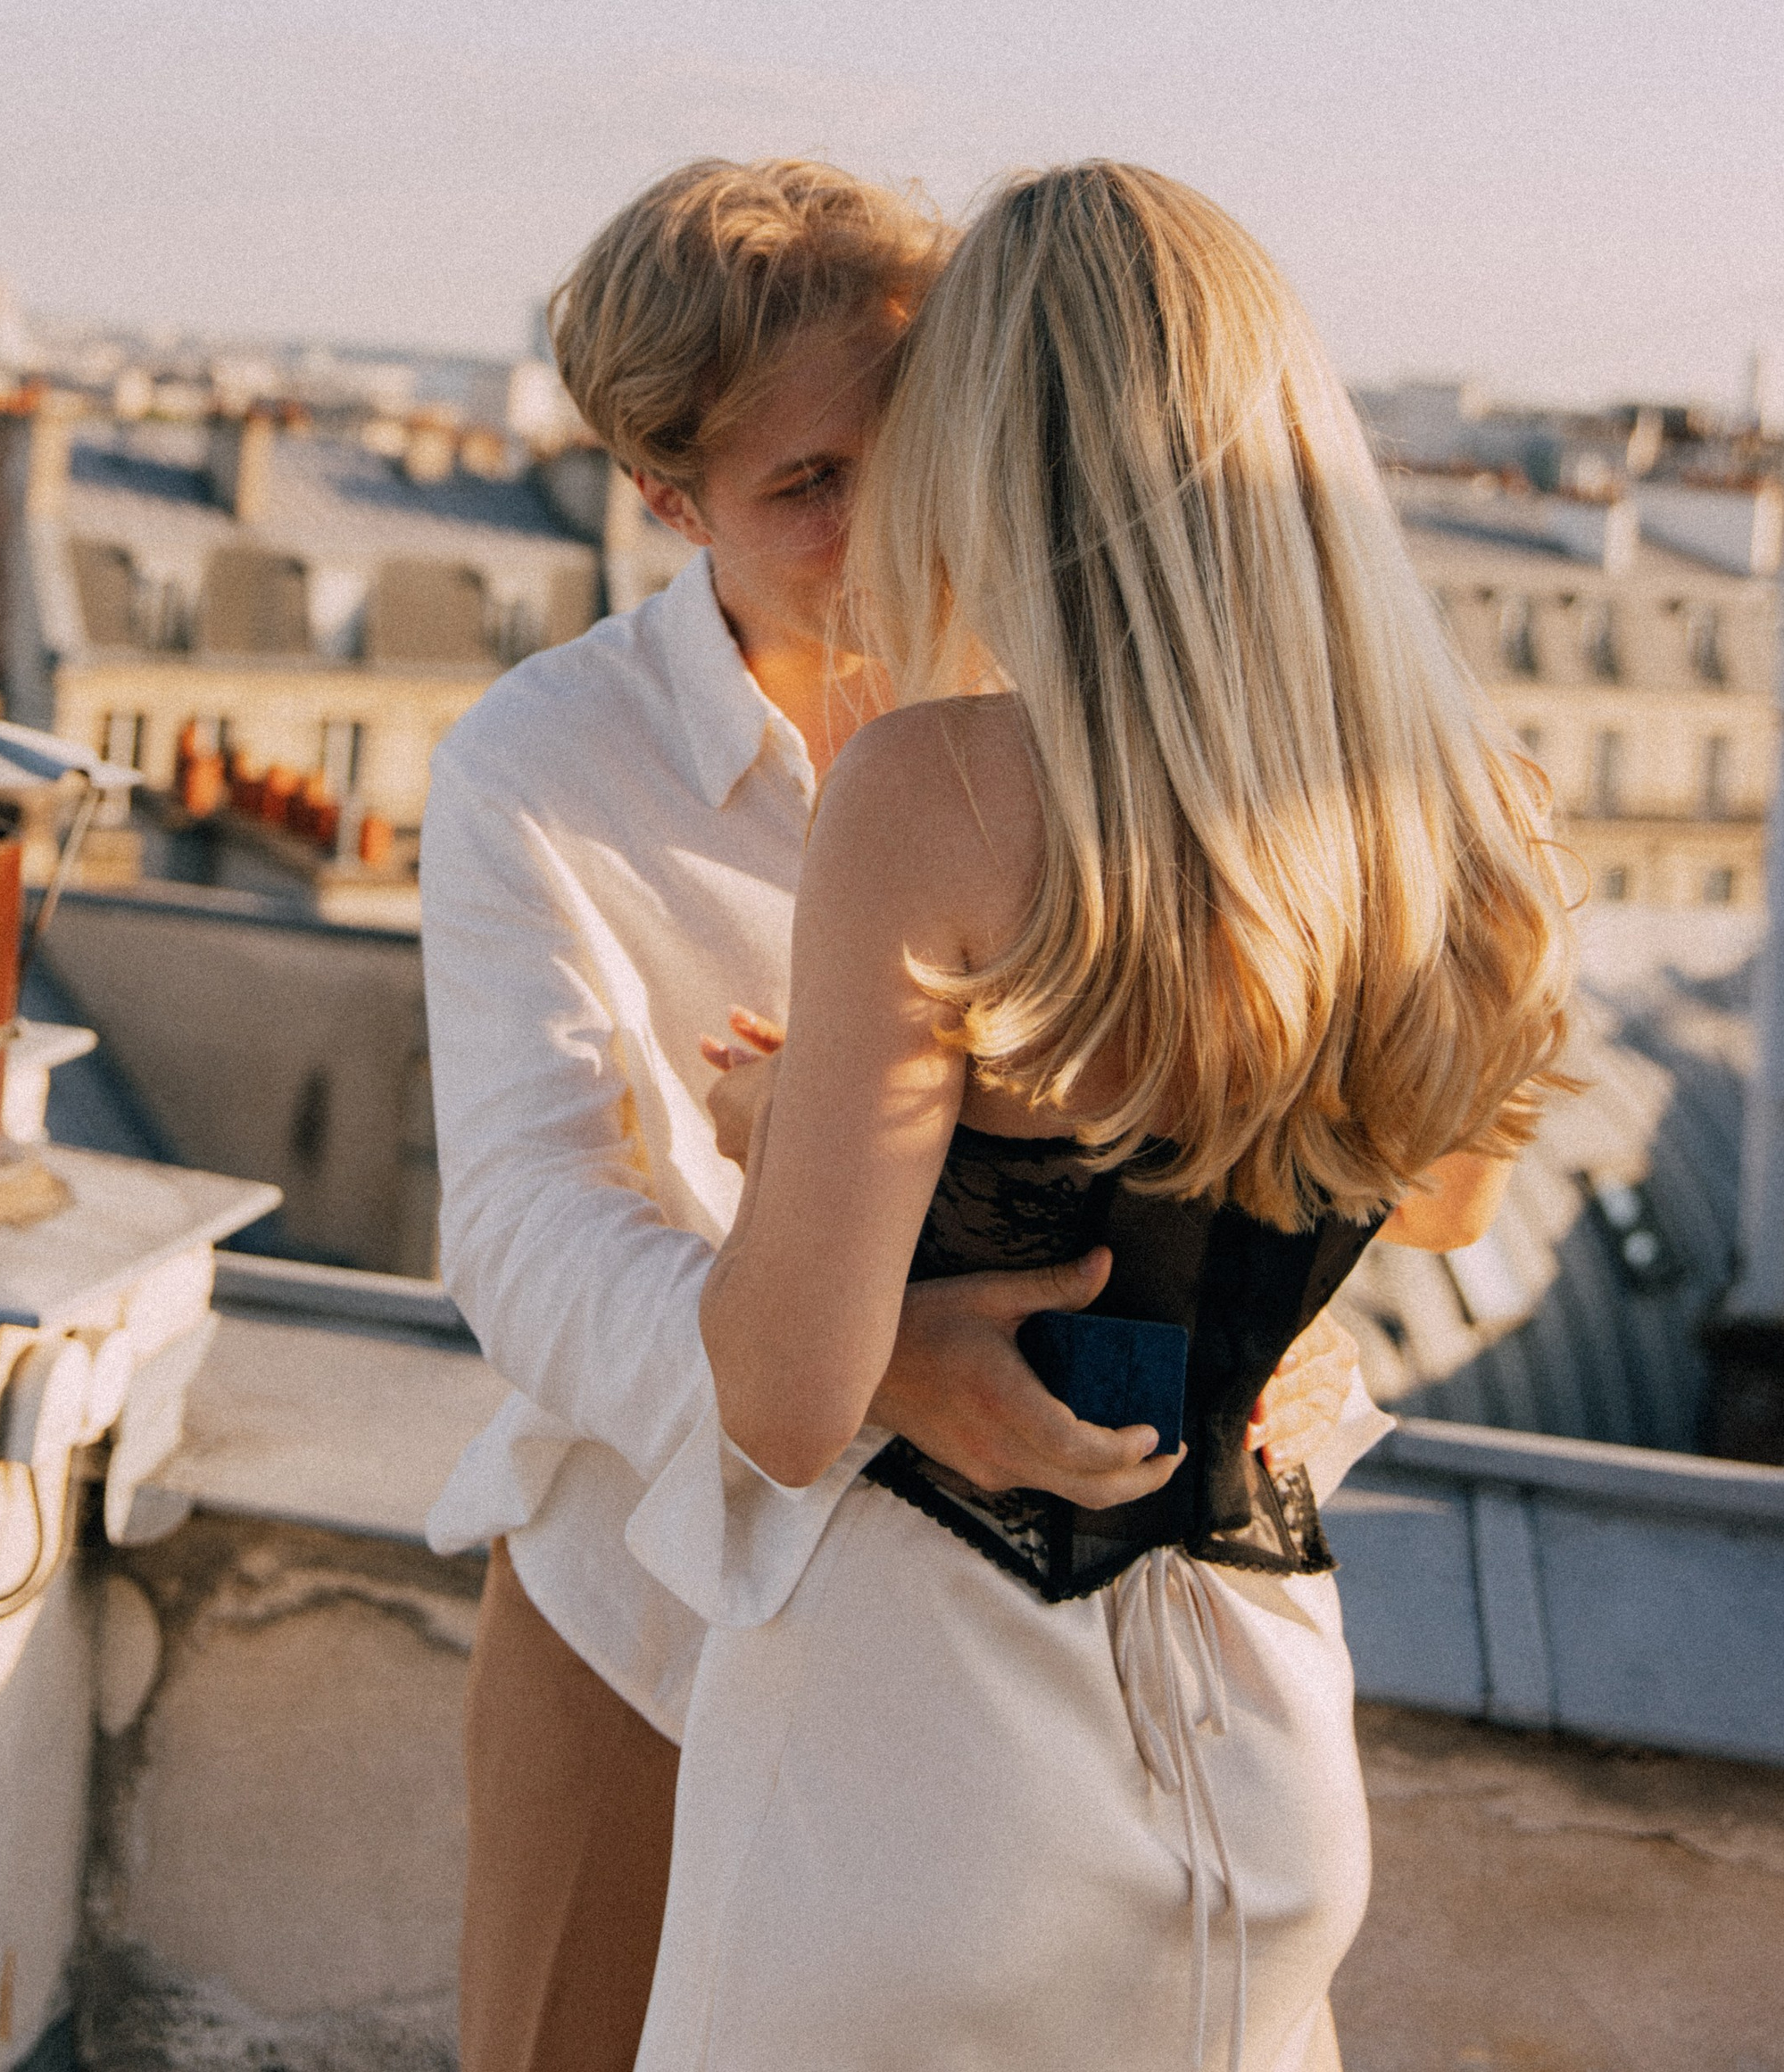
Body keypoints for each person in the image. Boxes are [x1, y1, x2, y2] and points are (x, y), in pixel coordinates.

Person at [422, 159, 1375, 2072]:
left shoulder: (1092, 712)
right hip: (649, 1584)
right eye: (805, 487)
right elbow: (522, 1220)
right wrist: (869, 1357)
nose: (884, 529)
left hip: (1016, 1619)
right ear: (661, 502)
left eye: (911, 447)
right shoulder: (534, 757)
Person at [626, 162, 1575, 2072]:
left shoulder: (934, 791)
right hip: (1263, 1730)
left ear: (983, 447)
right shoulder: (1478, 810)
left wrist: (779, 1110)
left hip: (924, 1762)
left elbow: (785, 1395)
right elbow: (1451, 1201)